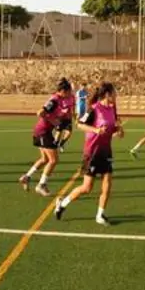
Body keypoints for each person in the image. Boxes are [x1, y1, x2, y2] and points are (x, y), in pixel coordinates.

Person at [55, 82, 123, 226]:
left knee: (107, 184)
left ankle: (100, 215)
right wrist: (96, 130)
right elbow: (80, 124)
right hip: (91, 152)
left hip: (106, 152)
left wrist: (119, 130)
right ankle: (62, 203)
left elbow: (113, 129)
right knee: (87, 187)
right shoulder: (94, 109)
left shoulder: (112, 109)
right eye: (114, 92)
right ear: (107, 94)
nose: (116, 95)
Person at [19, 78, 73, 196]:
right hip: (43, 132)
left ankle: (26, 177)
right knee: (53, 160)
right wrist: (53, 121)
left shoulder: (60, 100)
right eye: (69, 91)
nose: (70, 94)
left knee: (44, 159)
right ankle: (41, 185)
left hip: (42, 131)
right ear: (63, 91)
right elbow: (40, 113)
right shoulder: (54, 100)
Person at [54, 78, 76, 153]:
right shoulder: (60, 96)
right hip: (60, 117)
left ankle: (61, 144)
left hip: (68, 117)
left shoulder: (72, 97)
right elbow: (56, 106)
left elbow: (73, 106)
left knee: (69, 132)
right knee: (58, 132)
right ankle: (54, 145)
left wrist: (74, 116)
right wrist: (62, 111)